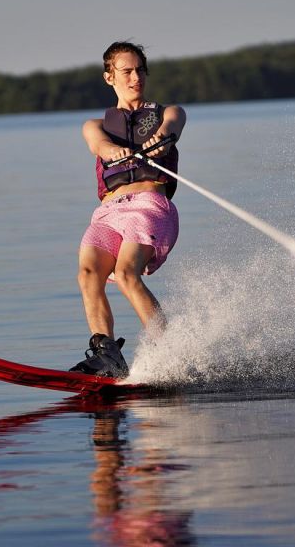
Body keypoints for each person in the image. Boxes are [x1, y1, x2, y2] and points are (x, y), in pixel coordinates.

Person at [71, 41, 186, 378]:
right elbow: (98, 145)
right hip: (110, 212)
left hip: (150, 206)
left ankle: (171, 353)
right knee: (89, 273)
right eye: (127, 71)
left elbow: (172, 128)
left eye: (140, 70)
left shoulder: (170, 113)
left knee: (125, 274)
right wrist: (112, 151)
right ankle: (108, 356)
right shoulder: (96, 125)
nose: (136, 77)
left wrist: (160, 138)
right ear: (110, 78)